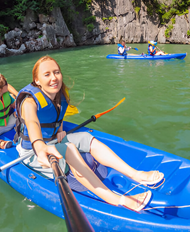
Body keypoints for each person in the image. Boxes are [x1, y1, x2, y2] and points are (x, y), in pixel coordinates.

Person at [14, 55, 164, 212]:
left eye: (56, 72)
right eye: (47, 74)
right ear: (37, 80)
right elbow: (33, 122)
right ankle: (117, 200)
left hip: (53, 141)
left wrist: (60, 130)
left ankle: (136, 174)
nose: (54, 78)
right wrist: (39, 147)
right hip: (34, 152)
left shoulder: (59, 95)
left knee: (86, 138)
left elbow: (58, 115)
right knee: (70, 149)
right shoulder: (29, 101)